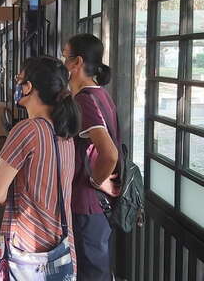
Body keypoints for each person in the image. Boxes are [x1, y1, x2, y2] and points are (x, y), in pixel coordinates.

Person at [0, 56, 81, 280]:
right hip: (62, 244)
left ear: (29, 87)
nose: (18, 86)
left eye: (20, 80)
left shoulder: (26, 130)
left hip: (28, 250)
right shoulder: (65, 133)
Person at [62, 34, 121, 281]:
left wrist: (96, 182)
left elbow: (109, 153)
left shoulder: (85, 100)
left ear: (77, 62)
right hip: (98, 204)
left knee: (89, 271)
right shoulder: (101, 95)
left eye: (65, 57)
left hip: (87, 202)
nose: (62, 63)